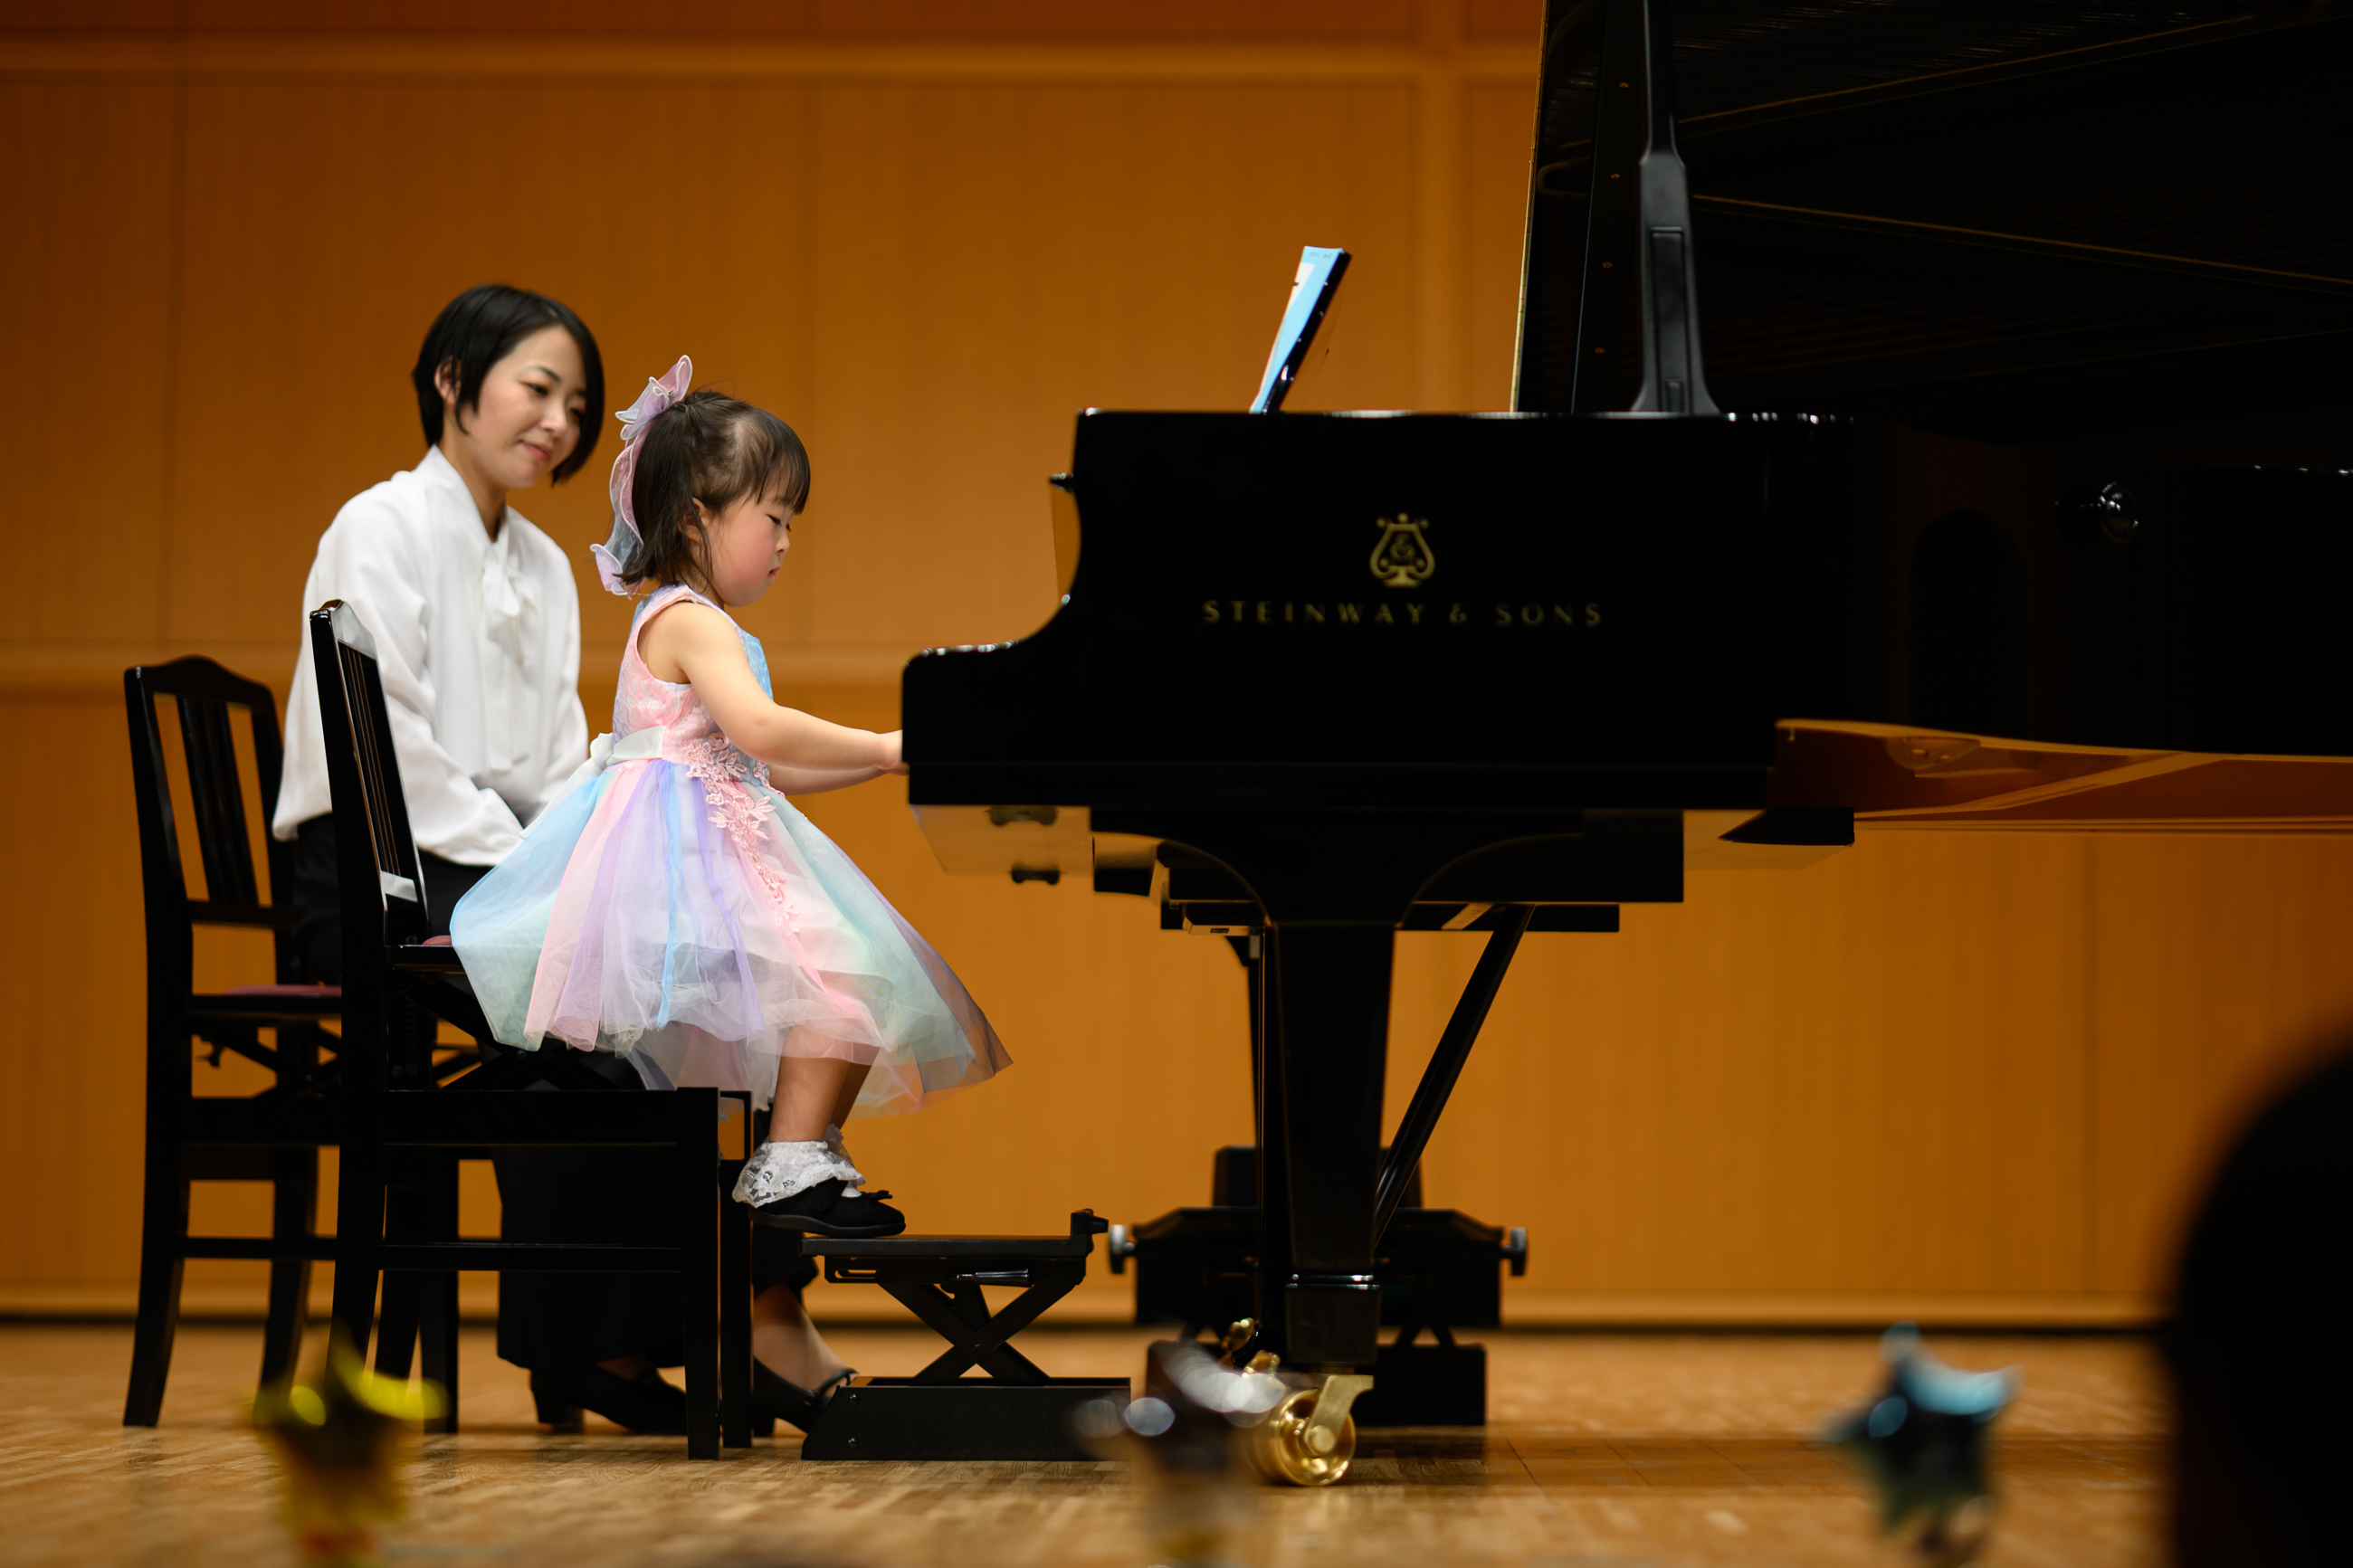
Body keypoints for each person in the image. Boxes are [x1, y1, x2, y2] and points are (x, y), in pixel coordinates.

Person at [450, 356, 1011, 1431]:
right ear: (698, 518)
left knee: (847, 988)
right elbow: (758, 733)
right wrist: (896, 741)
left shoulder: (703, 620)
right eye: (775, 515)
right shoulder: (685, 618)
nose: (787, 539)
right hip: (674, 868)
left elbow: (774, 761)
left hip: (719, 842)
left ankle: (794, 1158)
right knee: (844, 986)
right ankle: (790, 1160)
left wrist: (888, 763)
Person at [279, 285, 732, 1436]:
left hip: (483, 866)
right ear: (451, 381)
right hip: (373, 869)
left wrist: (581, 844)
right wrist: (536, 867)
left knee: (656, 981)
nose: (560, 421)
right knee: (586, 1000)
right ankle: (592, 1348)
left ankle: (602, 1341)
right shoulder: (374, 525)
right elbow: (388, 745)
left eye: (578, 404)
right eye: (538, 388)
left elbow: (544, 756)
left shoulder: (539, 557)